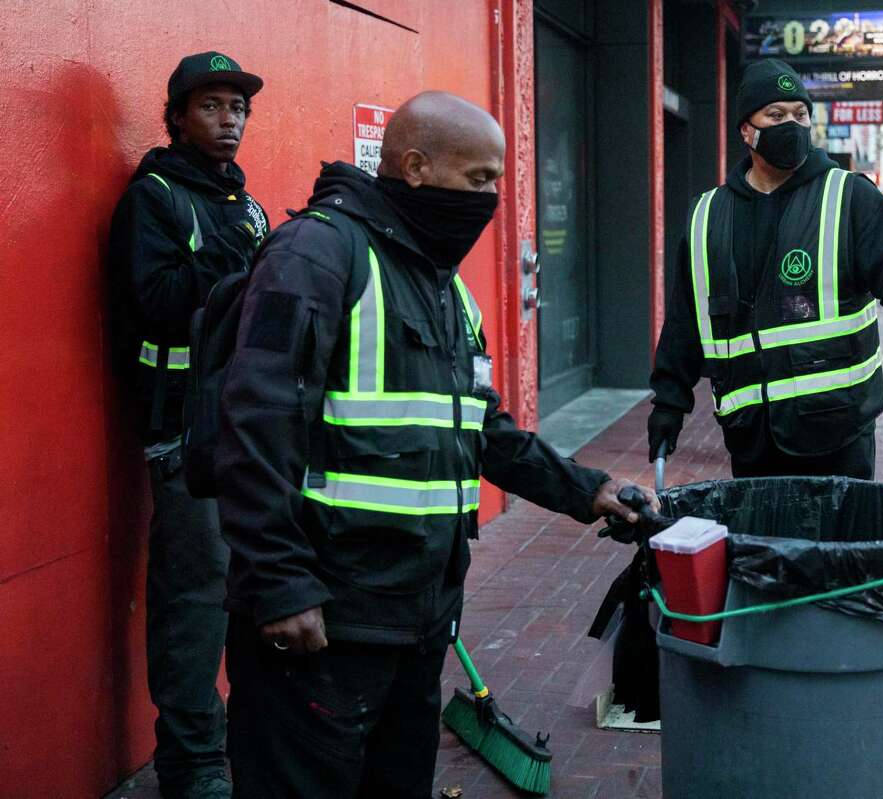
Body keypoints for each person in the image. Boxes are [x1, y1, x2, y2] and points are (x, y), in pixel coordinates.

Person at [216, 90, 658, 798]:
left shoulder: (445, 290)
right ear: (416, 167)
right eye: (479, 179)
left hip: (416, 622)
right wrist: (278, 583)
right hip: (323, 623)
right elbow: (254, 430)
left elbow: (480, 427)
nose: (490, 198)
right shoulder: (319, 256)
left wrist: (587, 489)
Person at [647, 59, 883, 480]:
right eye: (776, 115)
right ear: (747, 130)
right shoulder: (708, 215)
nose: (792, 125)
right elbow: (686, 319)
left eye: (800, 115)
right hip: (751, 439)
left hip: (838, 435)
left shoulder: (847, 195)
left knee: (841, 546)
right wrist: (669, 402)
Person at [107, 51, 267, 799]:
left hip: (246, 428)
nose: (227, 119)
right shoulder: (156, 198)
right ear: (176, 116)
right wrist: (242, 266)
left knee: (249, 586)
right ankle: (194, 764)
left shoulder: (247, 205)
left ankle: (243, 736)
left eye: (236, 107)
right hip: (182, 431)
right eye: (211, 105)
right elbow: (159, 300)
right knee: (195, 602)